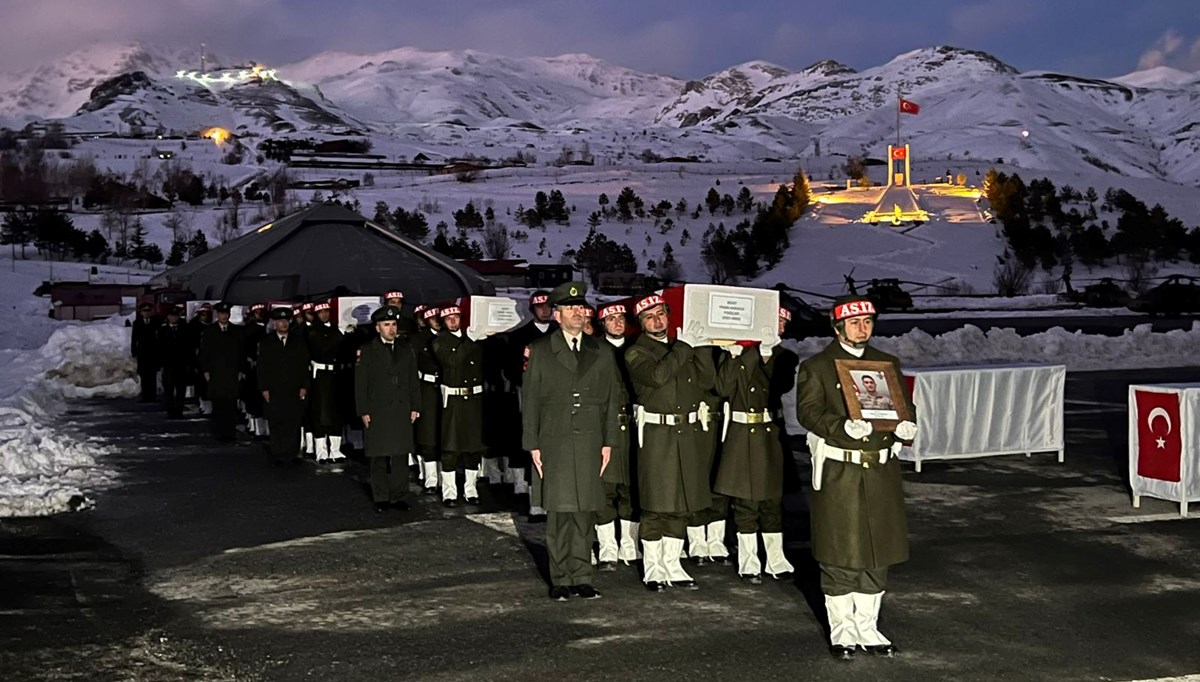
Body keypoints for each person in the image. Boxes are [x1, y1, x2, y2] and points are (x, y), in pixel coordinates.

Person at [796, 295, 917, 661]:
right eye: (854, 322)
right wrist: (840, 426)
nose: (862, 328)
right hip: (841, 472)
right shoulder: (817, 366)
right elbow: (808, 412)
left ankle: (869, 627)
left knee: (877, 550)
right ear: (837, 326)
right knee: (840, 551)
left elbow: (900, 407)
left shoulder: (887, 364)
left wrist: (904, 429)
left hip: (879, 470)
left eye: (867, 322)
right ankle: (842, 631)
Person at [522, 281, 620, 601]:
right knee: (560, 513)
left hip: (591, 441)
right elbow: (532, 400)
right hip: (555, 441)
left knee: (585, 512)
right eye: (571, 309)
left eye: (582, 308)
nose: (579, 313)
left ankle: (582, 575)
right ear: (557, 314)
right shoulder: (540, 350)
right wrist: (533, 445)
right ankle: (560, 577)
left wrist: (609, 442)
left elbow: (611, 400)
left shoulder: (601, 351)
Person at [625, 294, 715, 591]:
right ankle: (653, 566)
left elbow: (706, 382)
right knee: (656, 505)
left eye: (661, 313)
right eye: (649, 317)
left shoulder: (681, 347)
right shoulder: (636, 352)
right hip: (657, 437)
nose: (657, 320)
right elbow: (659, 376)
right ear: (641, 323)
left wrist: (701, 348)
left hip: (686, 434)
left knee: (681, 503)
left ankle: (673, 564)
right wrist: (685, 346)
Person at [712, 308, 797, 584]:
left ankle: (776, 558)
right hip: (740, 432)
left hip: (769, 432)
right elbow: (723, 388)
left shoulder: (785, 357)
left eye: (784, 324)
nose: (779, 328)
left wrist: (766, 355)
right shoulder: (736, 355)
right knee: (746, 501)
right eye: (776, 322)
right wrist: (738, 355)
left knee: (772, 500)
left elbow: (779, 386)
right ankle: (749, 560)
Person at [356, 305, 421, 513]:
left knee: (401, 455)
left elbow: (413, 381)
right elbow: (360, 384)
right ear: (377, 328)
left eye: (393, 324)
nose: (391, 329)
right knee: (378, 455)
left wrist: (415, 406)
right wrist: (363, 411)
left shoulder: (405, 349)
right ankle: (381, 497)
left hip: (401, 408)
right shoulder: (367, 351)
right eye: (386, 325)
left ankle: (399, 496)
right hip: (378, 410)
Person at [499, 290, 557, 504]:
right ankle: (522, 482)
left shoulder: (559, 332)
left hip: (556, 393)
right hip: (529, 392)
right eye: (540, 307)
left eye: (548, 307)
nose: (545, 310)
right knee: (527, 433)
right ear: (532, 309)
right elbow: (511, 368)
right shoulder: (520, 336)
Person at [594, 303, 639, 569]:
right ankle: (608, 547)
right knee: (606, 488)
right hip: (606, 426)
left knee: (631, 488)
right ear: (603, 325)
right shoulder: (596, 351)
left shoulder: (638, 346)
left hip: (634, 426)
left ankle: (630, 544)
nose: (617, 323)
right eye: (611, 319)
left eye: (620, 318)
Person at [433, 303, 487, 507]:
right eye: (449, 319)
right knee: (451, 447)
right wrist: (471, 340)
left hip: (474, 399)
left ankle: (471, 489)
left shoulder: (473, 339)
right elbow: (452, 361)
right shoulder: (440, 342)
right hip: (454, 400)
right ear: (444, 322)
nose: (454, 321)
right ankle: (449, 491)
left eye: (456, 317)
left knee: (474, 448)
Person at [258, 307, 311, 465]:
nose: (284, 323)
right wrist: (264, 388)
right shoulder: (267, 342)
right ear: (274, 323)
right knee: (277, 420)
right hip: (274, 388)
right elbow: (261, 367)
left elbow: (304, 365)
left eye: (286, 320)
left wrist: (304, 386)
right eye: (280, 321)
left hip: (294, 388)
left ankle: (292, 452)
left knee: (293, 421)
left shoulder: (298, 341)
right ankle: (278, 451)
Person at [198, 303, 245, 442]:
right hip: (216, 373)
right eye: (221, 313)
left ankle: (230, 432)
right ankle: (219, 432)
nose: (224, 316)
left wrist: (241, 370)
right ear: (217, 315)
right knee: (218, 404)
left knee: (231, 404)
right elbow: (204, 353)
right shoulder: (209, 332)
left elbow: (241, 352)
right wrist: (205, 370)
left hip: (231, 373)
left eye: (226, 313)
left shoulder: (236, 331)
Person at [307, 301, 346, 463]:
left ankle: (335, 450)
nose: (325, 315)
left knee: (336, 411)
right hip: (320, 375)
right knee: (321, 412)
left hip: (334, 373)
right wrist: (341, 334)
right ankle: (321, 450)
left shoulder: (333, 330)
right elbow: (323, 347)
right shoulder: (312, 331)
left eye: (327, 312)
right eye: (321, 312)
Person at [412, 305, 443, 495]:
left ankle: (445, 475)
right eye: (433, 318)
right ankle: (430, 478)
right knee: (427, 433)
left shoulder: (451, 337)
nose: (437, 321)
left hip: (447, 388)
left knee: (444, 433)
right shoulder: (418, 339)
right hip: (426, 387)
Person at [155, 306, 191, 419]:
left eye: (176, 316)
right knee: (169, 389)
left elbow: (189, 347)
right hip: (168, 364)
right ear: (168, 317)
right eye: (172, 316)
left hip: (181, 364)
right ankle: (170, 411)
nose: (174, 318)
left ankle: (179, 411)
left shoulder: (184, 329)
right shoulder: (163, 330)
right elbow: (158, 348)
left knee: (181, 389)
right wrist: (160, 363)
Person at [241, 303, 269, 437]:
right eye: (257, 312)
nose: (260, 314)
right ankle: (256, 427)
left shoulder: (269, 329)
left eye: (262, 312)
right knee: (253, 398)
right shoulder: (248, 330)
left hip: (267, 368)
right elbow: (243, 352)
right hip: (253, 369)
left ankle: (265, 427)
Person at [131, 302, 161, 402]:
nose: (147, 313)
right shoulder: (137, 323)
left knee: (152, 375)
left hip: (154, 353)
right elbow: (134, 338)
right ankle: (145, 396)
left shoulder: (156, 322)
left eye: (148, 311)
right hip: (142, 353)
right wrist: (134, 352)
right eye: (145, 311)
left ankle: (152, 396)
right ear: (141, 312)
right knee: (144, 375)